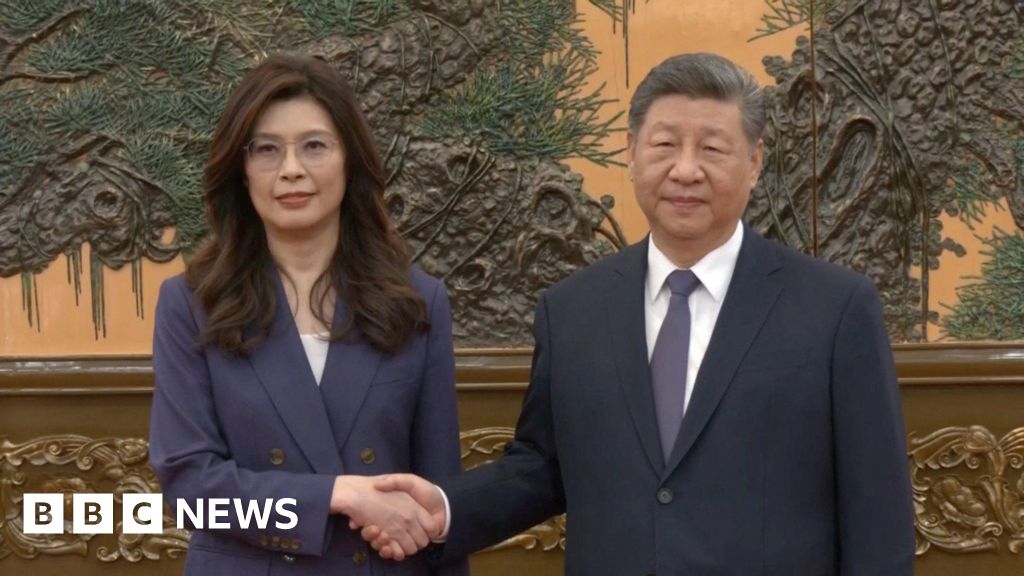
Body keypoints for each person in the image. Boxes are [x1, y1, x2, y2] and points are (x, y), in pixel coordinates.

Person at [363, 53, 916, 574]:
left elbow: (877, 511)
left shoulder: (835, 308)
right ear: (631, 153)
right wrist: (443, 508)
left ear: (754, 163)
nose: (686, 170)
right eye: (665, 145)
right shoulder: (572, 310)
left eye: (712, 149)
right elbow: (543, 467)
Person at [149, 54, 468, 576]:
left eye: (314, 146)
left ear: (349, 161)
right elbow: (191, 492)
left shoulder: (417, 302)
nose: (291, 169)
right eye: (267, 150)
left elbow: (438, 503)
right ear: (242, 172)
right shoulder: (191, 303)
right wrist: (338, 495)